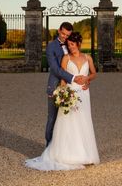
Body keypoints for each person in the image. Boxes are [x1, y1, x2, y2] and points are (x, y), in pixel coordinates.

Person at [26, 31, 100, 170]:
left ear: (78, 44)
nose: (70, 47)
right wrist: (63, 94)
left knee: (83, 121)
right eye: (69, 44)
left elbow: (94, 73)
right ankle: (67, 154)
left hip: (84, 93)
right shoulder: (66, 58)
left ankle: (85, 154)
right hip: (71, 92)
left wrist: (88, 79)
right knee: (68, 122)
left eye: (72, 44)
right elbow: (62, 78)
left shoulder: (88, 57)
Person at [43, 22, 87, 145]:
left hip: (73, 88)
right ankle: (48, 146)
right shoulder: (51, 47)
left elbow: (80, 61)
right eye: (63, 33)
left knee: (69, 119)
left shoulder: (71, 45)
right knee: (52, 117)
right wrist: (73, 77)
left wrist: (85, 80)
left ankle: (66, 147)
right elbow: (56, 69)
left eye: (68, 35)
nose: (65, 37)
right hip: (55, 86)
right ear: (58, 31)